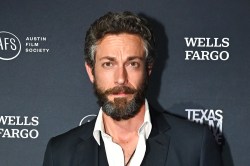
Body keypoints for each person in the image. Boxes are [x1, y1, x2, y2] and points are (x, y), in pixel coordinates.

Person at [43, 11, 222, 166]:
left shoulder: (194, 146)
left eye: (132, 64)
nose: (121, 78)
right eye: (108, 64)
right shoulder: (60, 153)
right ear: (91, 71)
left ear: (148, 69)